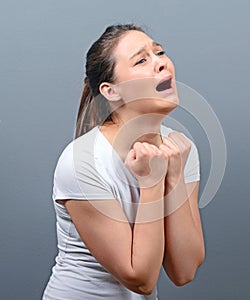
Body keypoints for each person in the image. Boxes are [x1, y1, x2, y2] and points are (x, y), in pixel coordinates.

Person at [43, 24, 205, 300]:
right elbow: (140, 279)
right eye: (142, 60)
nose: (161, 63)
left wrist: (174, 178)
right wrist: (152, 181)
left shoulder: (178, 149)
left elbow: (184, 271)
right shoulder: (81, 162)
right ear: (111, 90)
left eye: (160, 52)